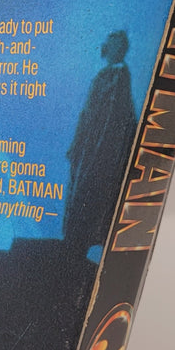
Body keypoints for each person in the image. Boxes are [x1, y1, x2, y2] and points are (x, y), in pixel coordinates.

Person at [63, 30, 136, 254]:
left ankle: (80, 243)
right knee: (78, 191)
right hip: (88, 146)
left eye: (115, 45)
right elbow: (87, 113)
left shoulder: (119, 77)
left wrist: (100, 150)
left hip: (101, 152)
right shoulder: (104, 75)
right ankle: (73, 242)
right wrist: (77, 144)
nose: (108, 49)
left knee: (90, 194)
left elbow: (118, 118)